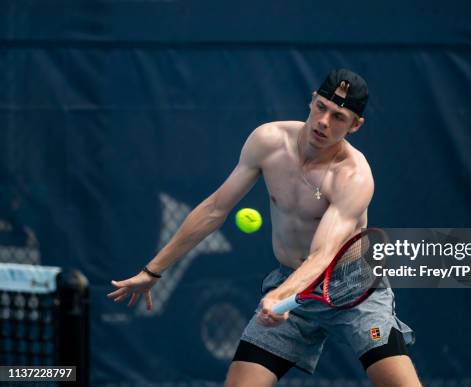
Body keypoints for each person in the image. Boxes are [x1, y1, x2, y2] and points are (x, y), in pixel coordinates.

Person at [107, 69, 422, 387]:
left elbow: (324, 253)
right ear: (312, 100)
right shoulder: (268, 141)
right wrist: (153, 271)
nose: (324, 121)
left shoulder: (353, 176)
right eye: (322, 107)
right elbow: (214, 209)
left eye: (339, 116)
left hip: (353, 288)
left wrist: (281, 297)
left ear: (356, 126)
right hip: (290, 283)